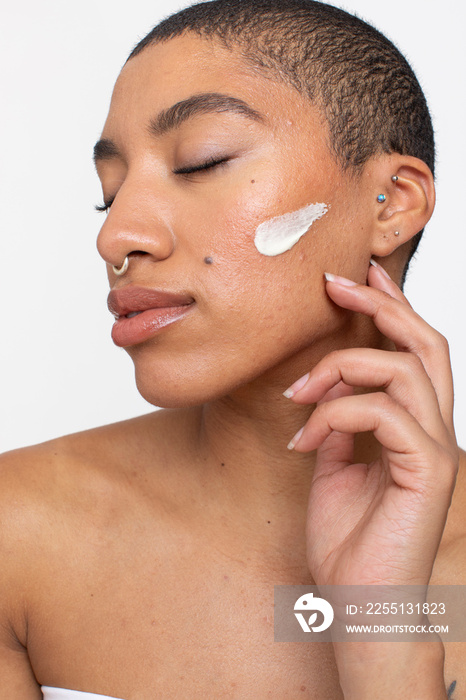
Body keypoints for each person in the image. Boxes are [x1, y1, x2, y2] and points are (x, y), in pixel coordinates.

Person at [0, 0, 464, 697]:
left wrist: (381, 634)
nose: (117, 237)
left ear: (392, 203)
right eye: (109, 193)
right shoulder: (18, 534)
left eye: (201, 161)